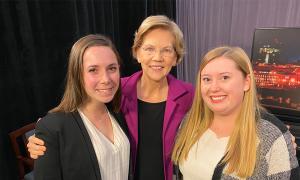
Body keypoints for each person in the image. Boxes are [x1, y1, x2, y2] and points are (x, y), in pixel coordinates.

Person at [27, 16, 297, 180]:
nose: (158, 58)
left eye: (167, 50)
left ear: (177, 56)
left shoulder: (192, 96)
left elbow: (231, 106)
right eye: (149, 49)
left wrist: (279, 132)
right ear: (137, 53)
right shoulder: (116, 90)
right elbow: (79, 112)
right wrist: (44, 133)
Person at [172, 46, 299, 179]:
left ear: (246, 82)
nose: (214, 87)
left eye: (225, 77)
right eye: (207, 79)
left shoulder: (272, 135)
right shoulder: (190, 122)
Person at [33, 34, 130, 180]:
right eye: (93, 70)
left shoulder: (120, 112)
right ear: (77, 74)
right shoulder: (53, 127)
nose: (106, 79)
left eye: (112, 68)